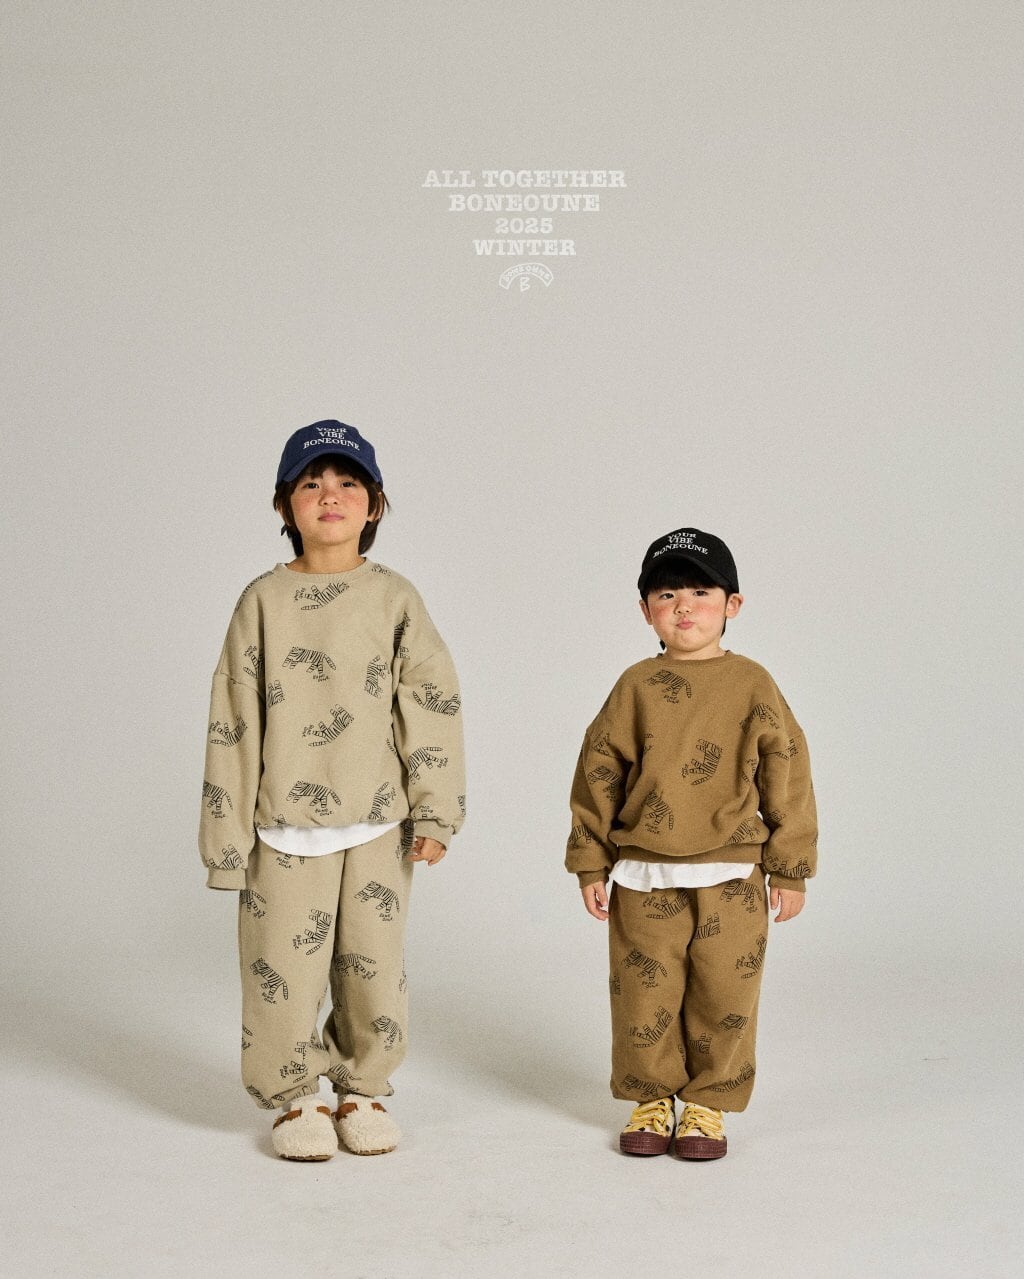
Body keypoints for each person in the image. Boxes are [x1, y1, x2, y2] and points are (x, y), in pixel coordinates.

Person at [199, 419, 465, 1162]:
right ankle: (295, 1097)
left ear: (374, 505)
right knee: (281, 974)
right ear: (284, 504)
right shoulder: (261, 601)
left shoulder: (395, 598)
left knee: (373, 969)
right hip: (282, 827)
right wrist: (225, 845)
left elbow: (431, 704)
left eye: (348, 483)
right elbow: (233, 720)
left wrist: (436, 811)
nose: (330, 495)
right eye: (311, 482)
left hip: (379, 823)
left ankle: (362, 1088)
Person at [565, 527, 817, 1160]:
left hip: (732, 873)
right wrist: (590, 862)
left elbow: (787, 773)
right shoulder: (634, 686)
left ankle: (707, 1104)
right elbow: (598, 773)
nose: (684, 607)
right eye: (666, 594)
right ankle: (650, 1097)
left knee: (725, 994)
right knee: (643, 994)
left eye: (701, 592)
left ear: (733, 604)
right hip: (644, 873)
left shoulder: (753, 684)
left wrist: (790, 869)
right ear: (645, 610)